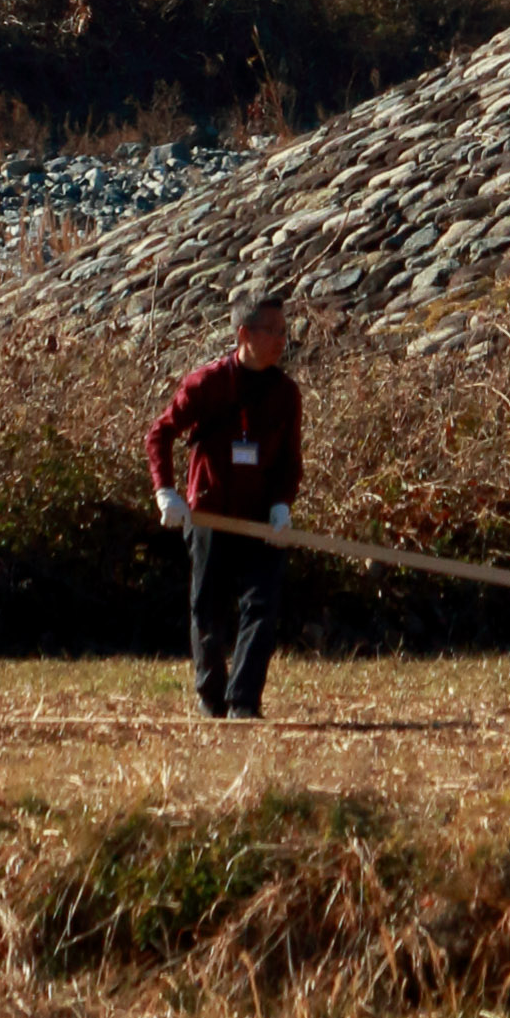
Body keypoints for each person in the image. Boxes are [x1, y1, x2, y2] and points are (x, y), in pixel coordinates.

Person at [145, 288, 303, 721]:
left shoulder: (286, 393)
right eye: (271, 331)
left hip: (261, 520)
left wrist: (282, 506)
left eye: (284, 331)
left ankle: (243, 702)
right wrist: (167, 490)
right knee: (207, 610)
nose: (280, 340)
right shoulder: (207, 384)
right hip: (209, 513)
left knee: (262, 607)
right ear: (243, 334)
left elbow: (290, 461)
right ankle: (211, 696)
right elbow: (159, 435)